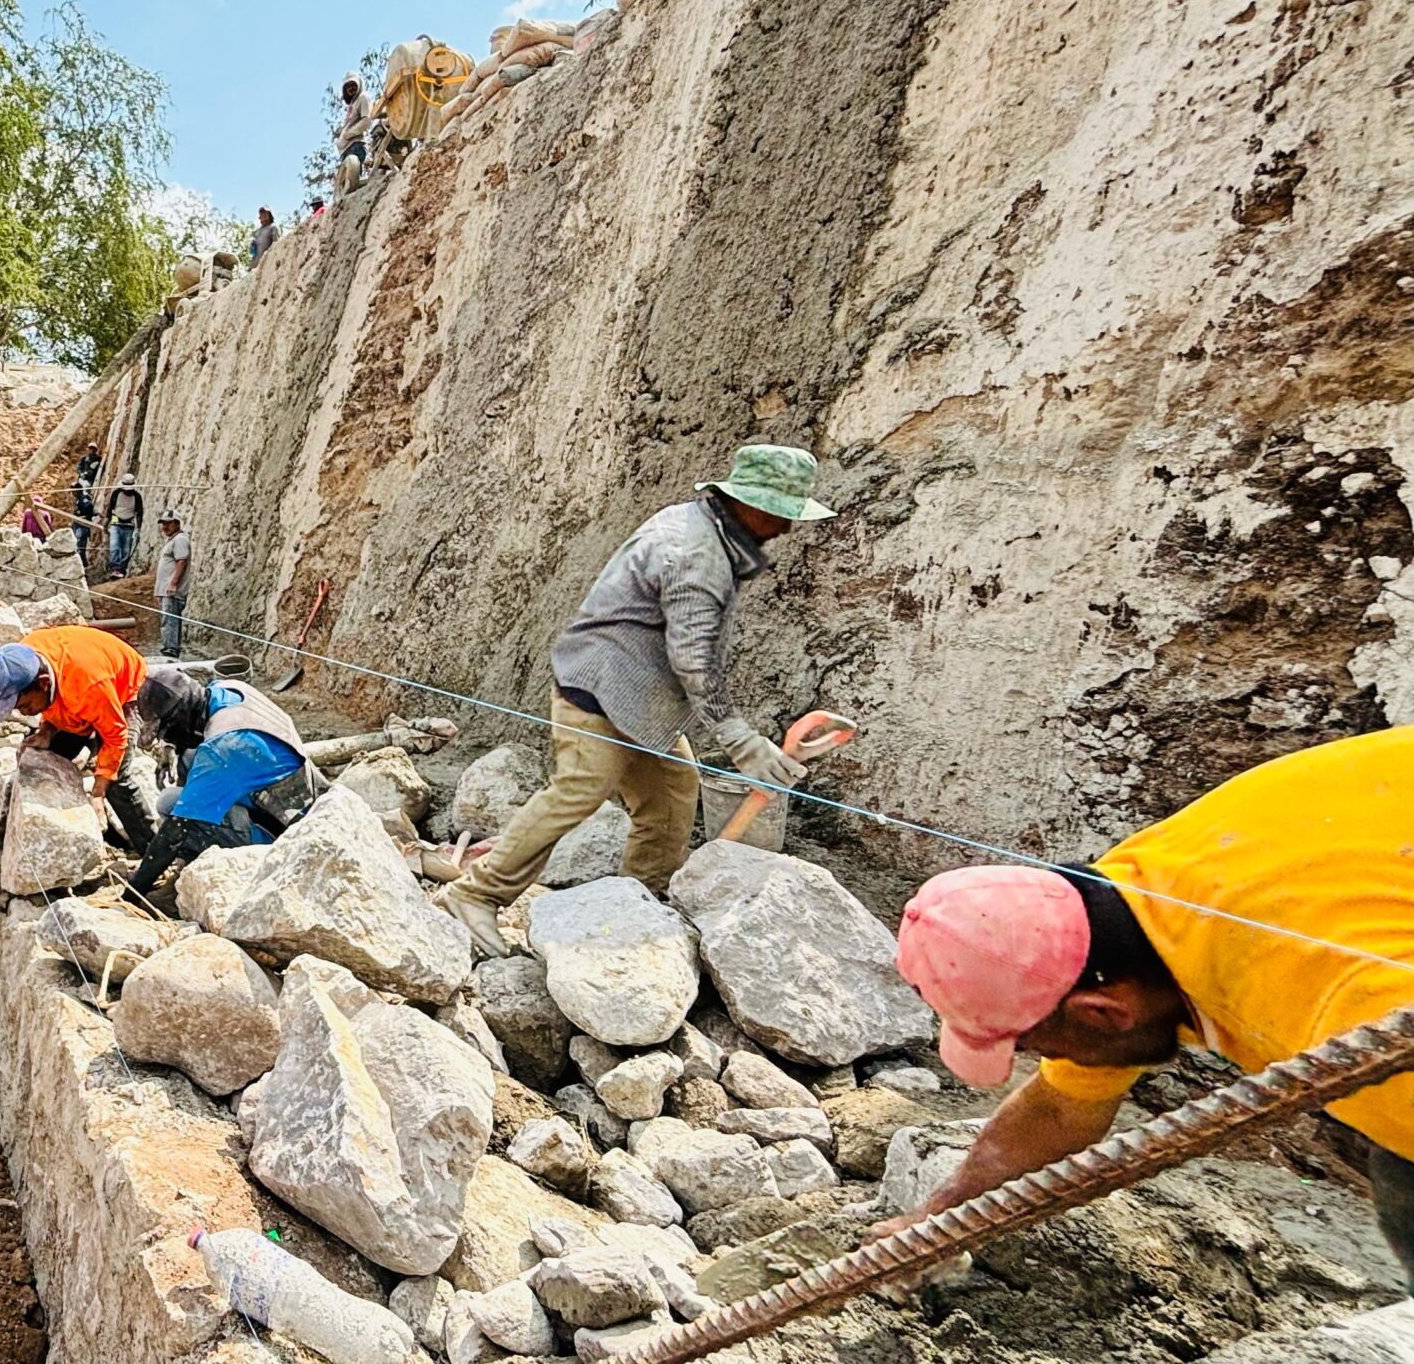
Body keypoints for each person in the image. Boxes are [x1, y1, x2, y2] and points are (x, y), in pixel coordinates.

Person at [883, 729, 1414, 1280]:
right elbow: (1060, 1108)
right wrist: (937, 1220)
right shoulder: (1130, 910)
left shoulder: (1348, 1023)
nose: (1039, 1062)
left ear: (1103, 1012)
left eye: (1031, 1045)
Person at [442, 444, 836, 955]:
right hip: (601, 690)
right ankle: (475, 894)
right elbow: (693, 658)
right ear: (750, 504)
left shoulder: (699, 525)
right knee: (580, 790)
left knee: (671, 789)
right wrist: (743, 743)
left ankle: (642, 900)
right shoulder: (696, 555)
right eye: (782, 515)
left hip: (640, 697)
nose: (785, 529)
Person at [124, 667, 317, 907]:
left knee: (173, 810)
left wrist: (134, 891)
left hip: (283, 837)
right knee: (189, 763)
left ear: (180, 717)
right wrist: (170, 747)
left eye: (166, 732)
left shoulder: (223, 748)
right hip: (295, 798)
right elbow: (193, 732)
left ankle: (195, 877)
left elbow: (176, 829)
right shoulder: (225, 691)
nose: (167, 737)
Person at [0, 624, 151, 848]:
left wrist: (99, 792)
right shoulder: (22, 660)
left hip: (126, 692)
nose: (23, 713)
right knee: (50, 754)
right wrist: (46, 731)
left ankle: (150, 852)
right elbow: (52, 699)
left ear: (42, 683)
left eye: (24, 705)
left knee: (117, 781)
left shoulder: (88, 686)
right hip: (80, 693)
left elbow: (116, 736)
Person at [154, 509, 193, 658]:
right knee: (168, 619)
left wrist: (173, 584)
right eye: (163, 524)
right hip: (166, 590)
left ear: (177, 523)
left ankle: (170, 650)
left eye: (168, 524)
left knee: (169, 620)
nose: (165, 527)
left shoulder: (180, 540)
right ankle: (171, 648)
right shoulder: (173, 540)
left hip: (171, 591)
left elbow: (181, 562)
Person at [104, 473, 145, 579]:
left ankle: (122, 569)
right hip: (116, 523)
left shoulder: (136, 497)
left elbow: (139, 513)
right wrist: (106, 522)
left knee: (126, 550)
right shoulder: (116, 494)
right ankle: (115, 569)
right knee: (115, 546)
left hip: (129, 525)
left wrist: (138, 529)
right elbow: (110, 509)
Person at [72, 445, 103, 560]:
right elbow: (79, 468)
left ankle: (82, 560)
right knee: (77, 541)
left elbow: (95, 470)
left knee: (80, 541)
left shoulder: (97, 459)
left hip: (83, 521)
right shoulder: (84, 459)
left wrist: (88, 473)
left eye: (93, 449)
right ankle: (80, 560)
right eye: (89, 448)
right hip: (77, 521)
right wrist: (82, 473)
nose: (91, 450)